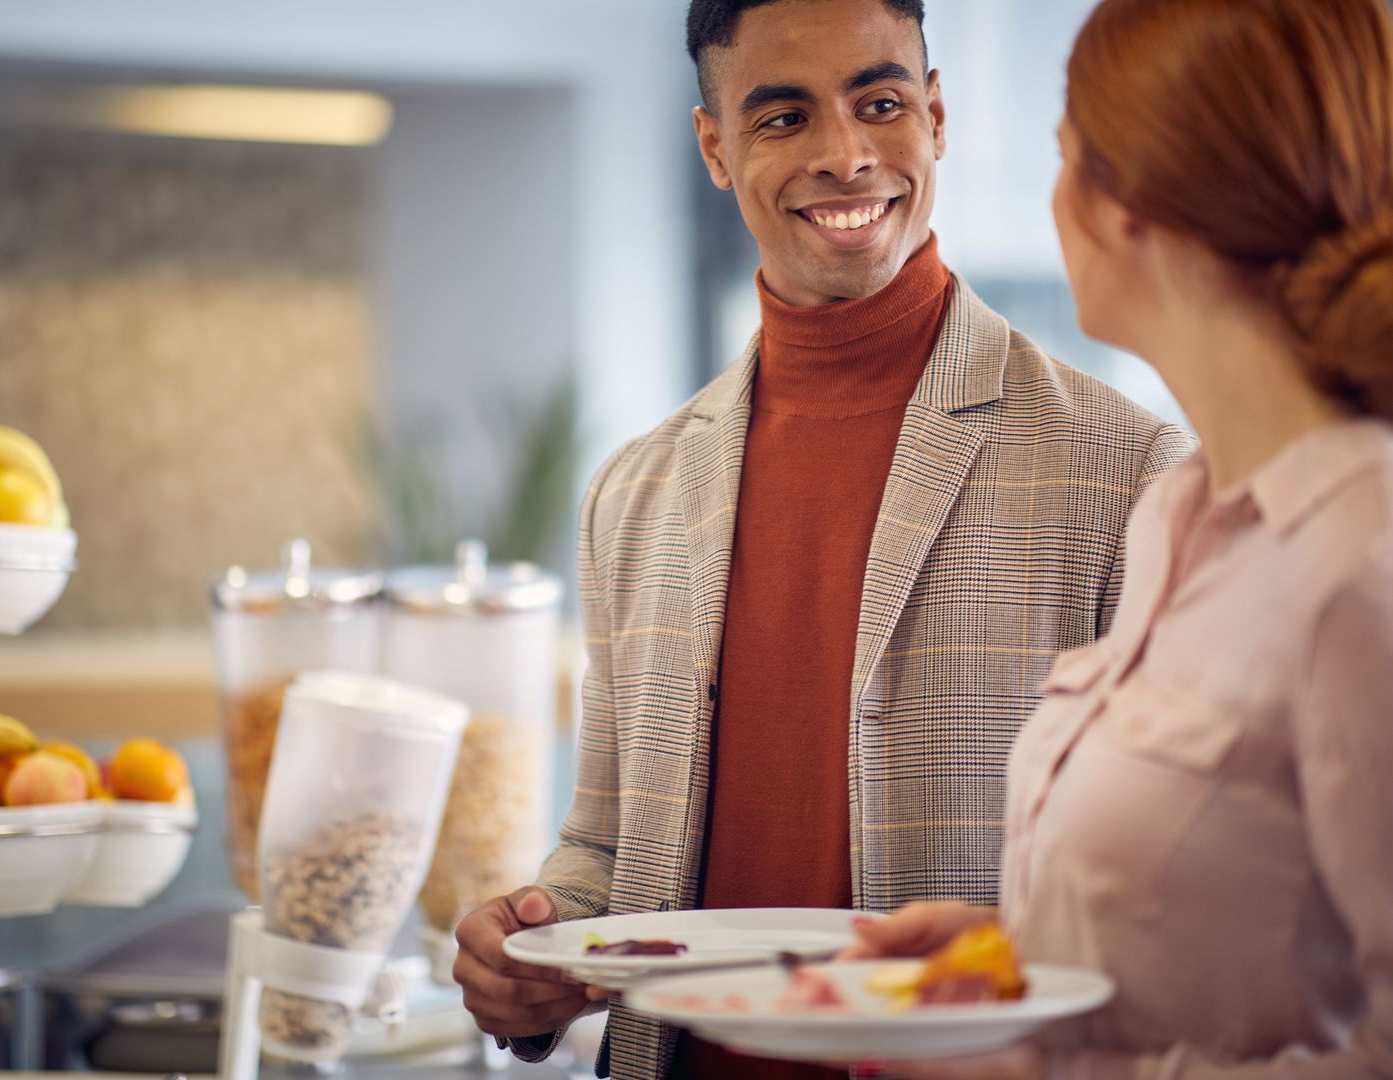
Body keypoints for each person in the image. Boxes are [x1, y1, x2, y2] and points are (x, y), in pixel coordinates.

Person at [454, 1, 1194, 1077]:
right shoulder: (636, 490)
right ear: (716, 147)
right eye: (783, 118)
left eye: (881, 104)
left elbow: (1174, 884)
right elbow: (614, 848)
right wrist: (531, 947)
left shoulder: (1125, 466)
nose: (846, 157)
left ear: (936, 114)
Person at [843, 1, 1393, 1079]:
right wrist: (1024, 966)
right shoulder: (1176, 521)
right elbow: (1244, 924)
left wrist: (1050, 1069)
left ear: (1129, 202)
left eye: (1064, 157)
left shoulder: (1355, 567)